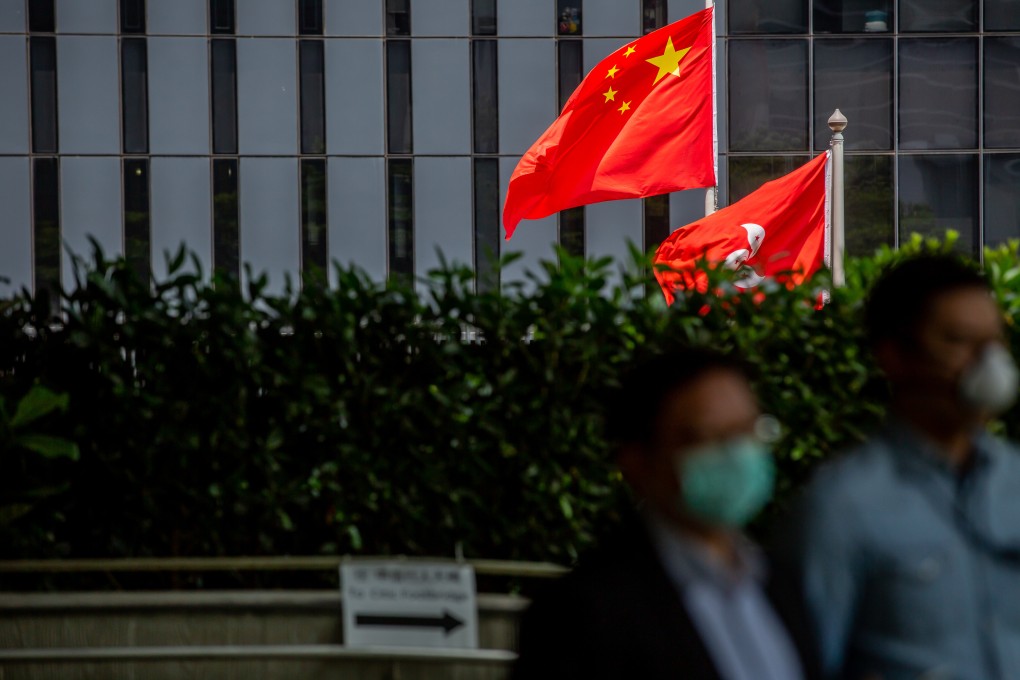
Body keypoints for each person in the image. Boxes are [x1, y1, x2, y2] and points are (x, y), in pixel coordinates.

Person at [512, 348, 816, 680]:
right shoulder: (582, 612)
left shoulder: (780, 586)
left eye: (747, 432)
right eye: (707, 438)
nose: (737, 454)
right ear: (637, 461)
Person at [793, 254, 1020, 680]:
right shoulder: (841, 507)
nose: (987, 364)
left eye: (993, 342)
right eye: (959, 341)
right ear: (893, 355)